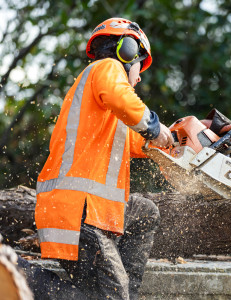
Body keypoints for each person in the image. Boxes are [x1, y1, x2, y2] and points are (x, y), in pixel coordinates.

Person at [19, 17, 174, 300]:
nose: (138, 77)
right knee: (109, 297)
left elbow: (138, 142)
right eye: (140, 67)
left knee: (146, 212)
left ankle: (123, 293)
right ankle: (19, 275)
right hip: (78, 212)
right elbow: (126, 103)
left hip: (91, 211)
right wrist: (154, 125)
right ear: (127, 51)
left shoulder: (107, 109)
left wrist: (177, 139)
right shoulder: (106, 69)